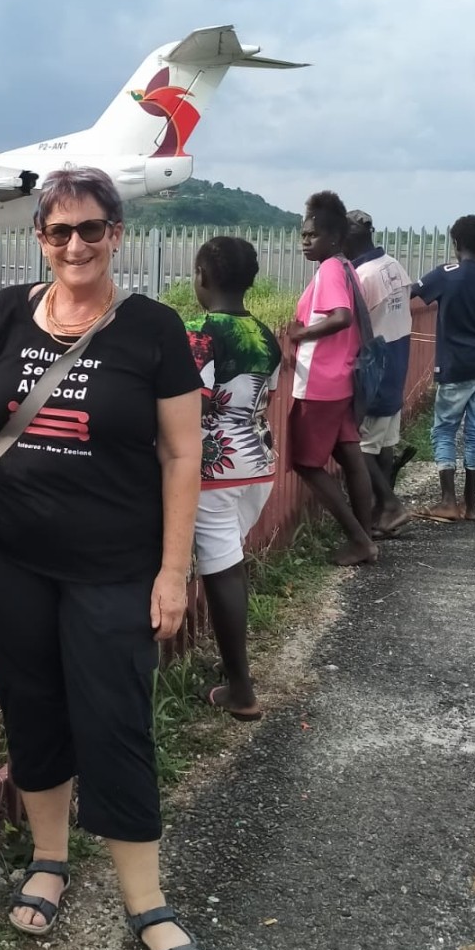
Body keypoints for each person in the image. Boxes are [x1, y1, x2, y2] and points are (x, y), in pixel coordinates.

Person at [0, 167, 208, 950]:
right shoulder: (5, 313)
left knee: (115, 720)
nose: (76, 245)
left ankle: (147, 901)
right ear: (40, 238)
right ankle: (49, 858)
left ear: (116, 235)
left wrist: (174, 572)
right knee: (32, 708)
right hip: (11, 557)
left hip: (114, 565)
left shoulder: (153, 330)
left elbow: (183, 455)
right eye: (59, 231)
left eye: (91, 229)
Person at [185, 237, 281, 722]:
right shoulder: (265, 334)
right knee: (228, 562)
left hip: (215, 468)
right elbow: (267, 396)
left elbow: (193, 403)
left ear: (202, 275)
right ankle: (232, 671)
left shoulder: (199, 332)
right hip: (258, 463)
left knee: (221, 569)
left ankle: (241, 690)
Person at [288, 191, 378, 566]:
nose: (305, 241)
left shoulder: (328, 270)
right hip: (342, 379)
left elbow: (341, 317)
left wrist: (300, 334)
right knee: (351, 458)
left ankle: (359, 540)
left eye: (313, 235)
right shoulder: (345, 267)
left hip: (320, 383)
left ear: (335, 238)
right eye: (303, 235)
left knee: (307, 462)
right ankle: (366, 536)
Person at [412, 214, 475, 521]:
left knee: (444, 429)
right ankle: (471, 504)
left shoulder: (446, 274)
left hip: (457, 366)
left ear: (455, 242)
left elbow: (409, 293)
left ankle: (447, 501)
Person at [342, 210, 413, 537]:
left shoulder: (363, 277)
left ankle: (390, 505)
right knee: (384, 445)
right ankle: (382, 515)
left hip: (374, 371)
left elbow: (351, 324)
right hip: (396, 362)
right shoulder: (394, 266)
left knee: (359, 448)